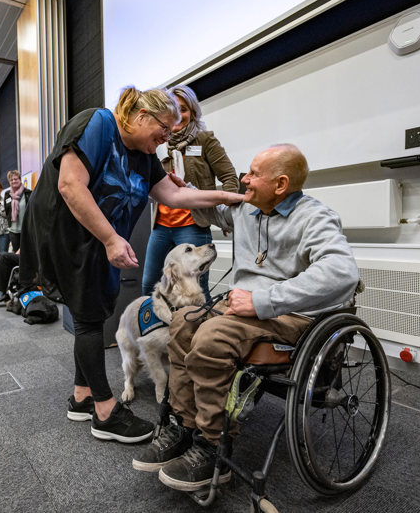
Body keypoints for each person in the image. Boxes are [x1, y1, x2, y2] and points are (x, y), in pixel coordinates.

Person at [19, 86, 243, 444]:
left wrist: (225, 196)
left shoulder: (143, 152)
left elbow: (174, 194)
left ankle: (81, 397)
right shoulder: (97, 123)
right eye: (164, 129)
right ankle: (105, 412)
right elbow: (70, 186)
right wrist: (110, 239)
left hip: (98, 236)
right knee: (89, 319)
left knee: (92, 312)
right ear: (142, 117)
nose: (167, 138)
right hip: (68, 234)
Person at [131, 144, 360, 491]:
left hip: (289, 314)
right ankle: (187, 425)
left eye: (253, 173)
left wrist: (264, 300)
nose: (244, 178)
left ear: (281, 185)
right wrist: (184, 190)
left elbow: (342, 273)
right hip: (241, 307)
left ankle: (212, 446)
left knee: (210, 339)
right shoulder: (247, 209)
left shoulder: (314, 217)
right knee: (181, 324)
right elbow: (209, 211)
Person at [142, 85, 238, 299]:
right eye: (174, 108)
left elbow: (230, 178)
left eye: (184, 109)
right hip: (161, 226)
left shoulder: (205, 140)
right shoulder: (160, 141)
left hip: (193, 224)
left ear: (193, 111)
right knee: (151, 284)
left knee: (195, 289)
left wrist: (227, 215)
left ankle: (198, 332)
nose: (178, 115)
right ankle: (155, 331)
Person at [3, 170, 31, 251]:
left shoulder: (28, 193)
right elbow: (6, 210)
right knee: (16, 254)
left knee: (27, 252)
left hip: (26, 230)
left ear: (20, 180)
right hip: (13, 230)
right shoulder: (7, 194)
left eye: (16, 179)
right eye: (11, 180)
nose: (14, 181)